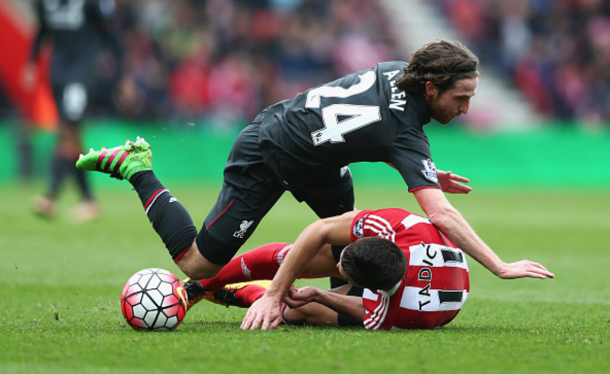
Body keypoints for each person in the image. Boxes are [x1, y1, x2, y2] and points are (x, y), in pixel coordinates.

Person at [76, 40, 535, 328]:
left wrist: (428, 173)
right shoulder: (405, 133)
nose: (467, 108)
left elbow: (377, 123)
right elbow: (438, 212)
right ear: (432, 88)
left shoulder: (400, 70)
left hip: (317, 159)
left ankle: (258, 296)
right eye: (462, 97)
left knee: (347, 265)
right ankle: (137, 168)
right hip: (269, 152)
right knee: (195, 261)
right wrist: (499, 265)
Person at [182, 208, 552, 330]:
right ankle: (200, 283)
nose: (337, 270)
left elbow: (361, 307)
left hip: (421, 298)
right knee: (305, 254)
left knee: (298, 313)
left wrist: (318, 294)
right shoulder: (406, 227)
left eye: (343, 273)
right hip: (415, 266)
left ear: (369, 290)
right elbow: (321, 230)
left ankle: (227, 294)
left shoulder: (400, 311)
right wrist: (499, 266)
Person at [25, 0, 122, 222]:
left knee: (67, 130)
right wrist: (32, 62)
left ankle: (50, 196)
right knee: (73, 138)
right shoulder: (45, 4)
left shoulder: (89, 3)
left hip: (81, 73)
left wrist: (121, 69)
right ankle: (89, 201)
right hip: (57, 73)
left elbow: (107, 30)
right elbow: (42, 30)